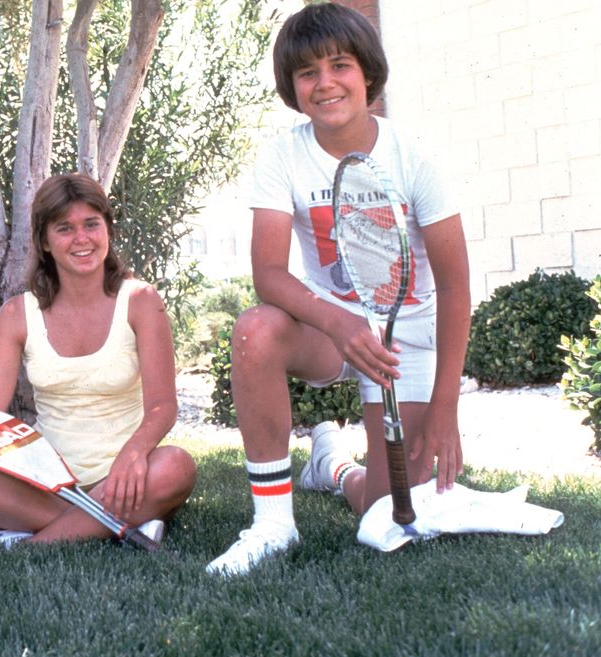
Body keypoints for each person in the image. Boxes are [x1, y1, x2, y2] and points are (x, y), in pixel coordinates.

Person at [206, 3, 471, 576]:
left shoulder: (413, 153)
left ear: (367, 73)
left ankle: (334, 466)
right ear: (292, 87)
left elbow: (453, 286)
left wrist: (446, 406)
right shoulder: (282, 154)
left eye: (340, 65)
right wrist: (339, 320)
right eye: (307, 73)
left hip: (406, 340)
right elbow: (269, 274)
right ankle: (273, 524)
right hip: (332, 329)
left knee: (391, 512)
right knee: (256, 329)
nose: (325, 83)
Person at [0, 173, 197, 551]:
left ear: (108, 230)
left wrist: (133, 456)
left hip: (127, 477)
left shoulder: (141, 300)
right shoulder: (18, 314)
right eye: (64, 228)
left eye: (91, 225)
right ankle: (116, 524)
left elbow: (163, 406)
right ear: (45, 242)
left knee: (176, 466)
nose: (81, 239)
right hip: (42, 482)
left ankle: (23, 542)